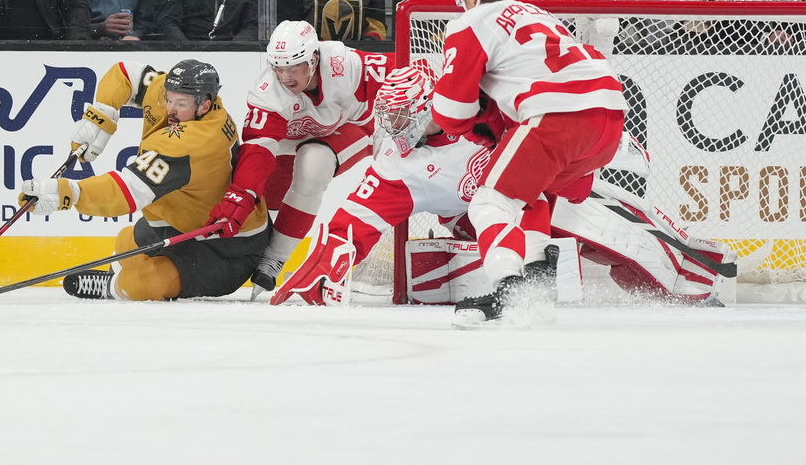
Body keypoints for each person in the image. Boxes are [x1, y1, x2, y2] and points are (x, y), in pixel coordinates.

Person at [270, 67, 734, 308]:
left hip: (548, 189)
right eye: (386, 118)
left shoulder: (477, 106)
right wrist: (313, 280)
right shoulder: (397, 164)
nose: (391, 129)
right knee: (598, 234)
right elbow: (351, 224)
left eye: (400, 117)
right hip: (493, 223)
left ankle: (703, 274)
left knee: (618, 235)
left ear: (427, 105)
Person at [433, 0, 628, 326]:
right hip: (610, 120)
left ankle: (509, 287)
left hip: (558, 116)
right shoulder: (539, 13)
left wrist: (481, 127)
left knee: (489, 203)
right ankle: (538, 278)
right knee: (528, 192)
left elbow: (451, 112)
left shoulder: (470, 23)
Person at [19, 59, 271, 301]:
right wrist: (101, 116)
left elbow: (128, 190)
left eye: (180, 104)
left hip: (227, 247)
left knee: (146, 281)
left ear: (204, 106)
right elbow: (126, 73)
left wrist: (69, 193)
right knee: (124, 242)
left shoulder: (197, 142)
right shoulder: (178, 94)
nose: (170, 109)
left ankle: (111, 287)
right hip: (181, 221)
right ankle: (120, 276)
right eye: (169, 99)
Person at [207, 20, 394, 298]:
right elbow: (258, 152)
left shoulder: (348, 65)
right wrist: (241, 195)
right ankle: (251, 243)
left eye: (294, 67)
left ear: (314, 59)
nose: (285, 76)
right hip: (294, 137)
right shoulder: (267, 93)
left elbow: (404, 70)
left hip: (354, 127)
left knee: (314, 161)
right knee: (262, 190)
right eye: (279, 68)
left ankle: (275, 258)